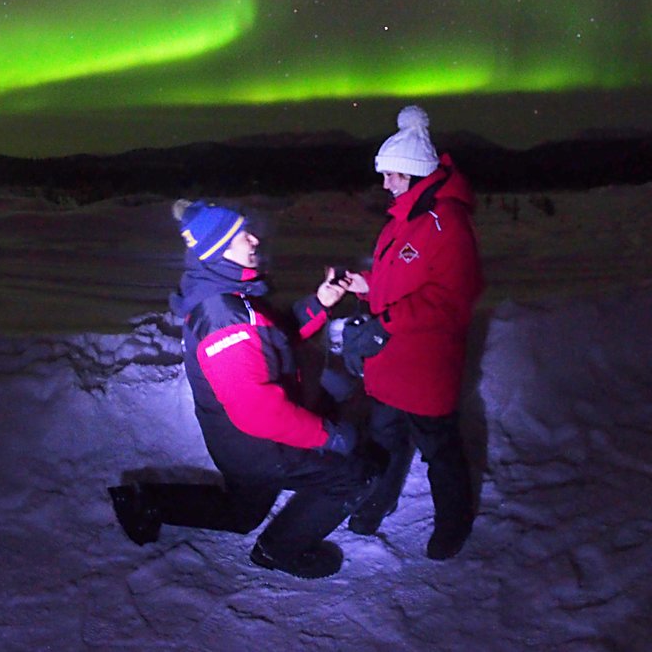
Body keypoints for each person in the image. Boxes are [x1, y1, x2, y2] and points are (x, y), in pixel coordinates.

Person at [108, 199, 377, 579]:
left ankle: (146, 501)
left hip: (238, 444)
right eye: (240, 236)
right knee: (353, 476)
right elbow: (258, 411)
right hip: (261, 445)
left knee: (241, 513)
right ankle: (278, 551)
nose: (253, 239)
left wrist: (320, 303)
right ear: (218, 250)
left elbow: (273, 339)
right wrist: (328, 436)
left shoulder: (226, 295)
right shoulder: (224, 317)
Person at [338, 105, 483, 560]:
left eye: (393, 175)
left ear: (416, 175)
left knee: (441, 453)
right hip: (390, 362)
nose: (385, 184)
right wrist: (367, 288)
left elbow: (450, 297)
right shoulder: (404, 219)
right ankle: (377, 502)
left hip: (424, 368)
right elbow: (403, 281)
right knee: (384, 442)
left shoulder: (448, 225)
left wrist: (387, 321)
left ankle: (452, 527)